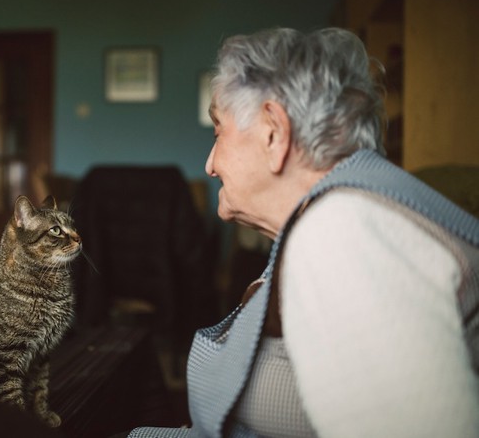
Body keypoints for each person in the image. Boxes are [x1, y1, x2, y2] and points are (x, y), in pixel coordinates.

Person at [127, 27, 479, 437]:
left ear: (273, 133)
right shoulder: (337, 219)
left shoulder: (341, 232)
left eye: (218, 131)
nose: (209, 164)